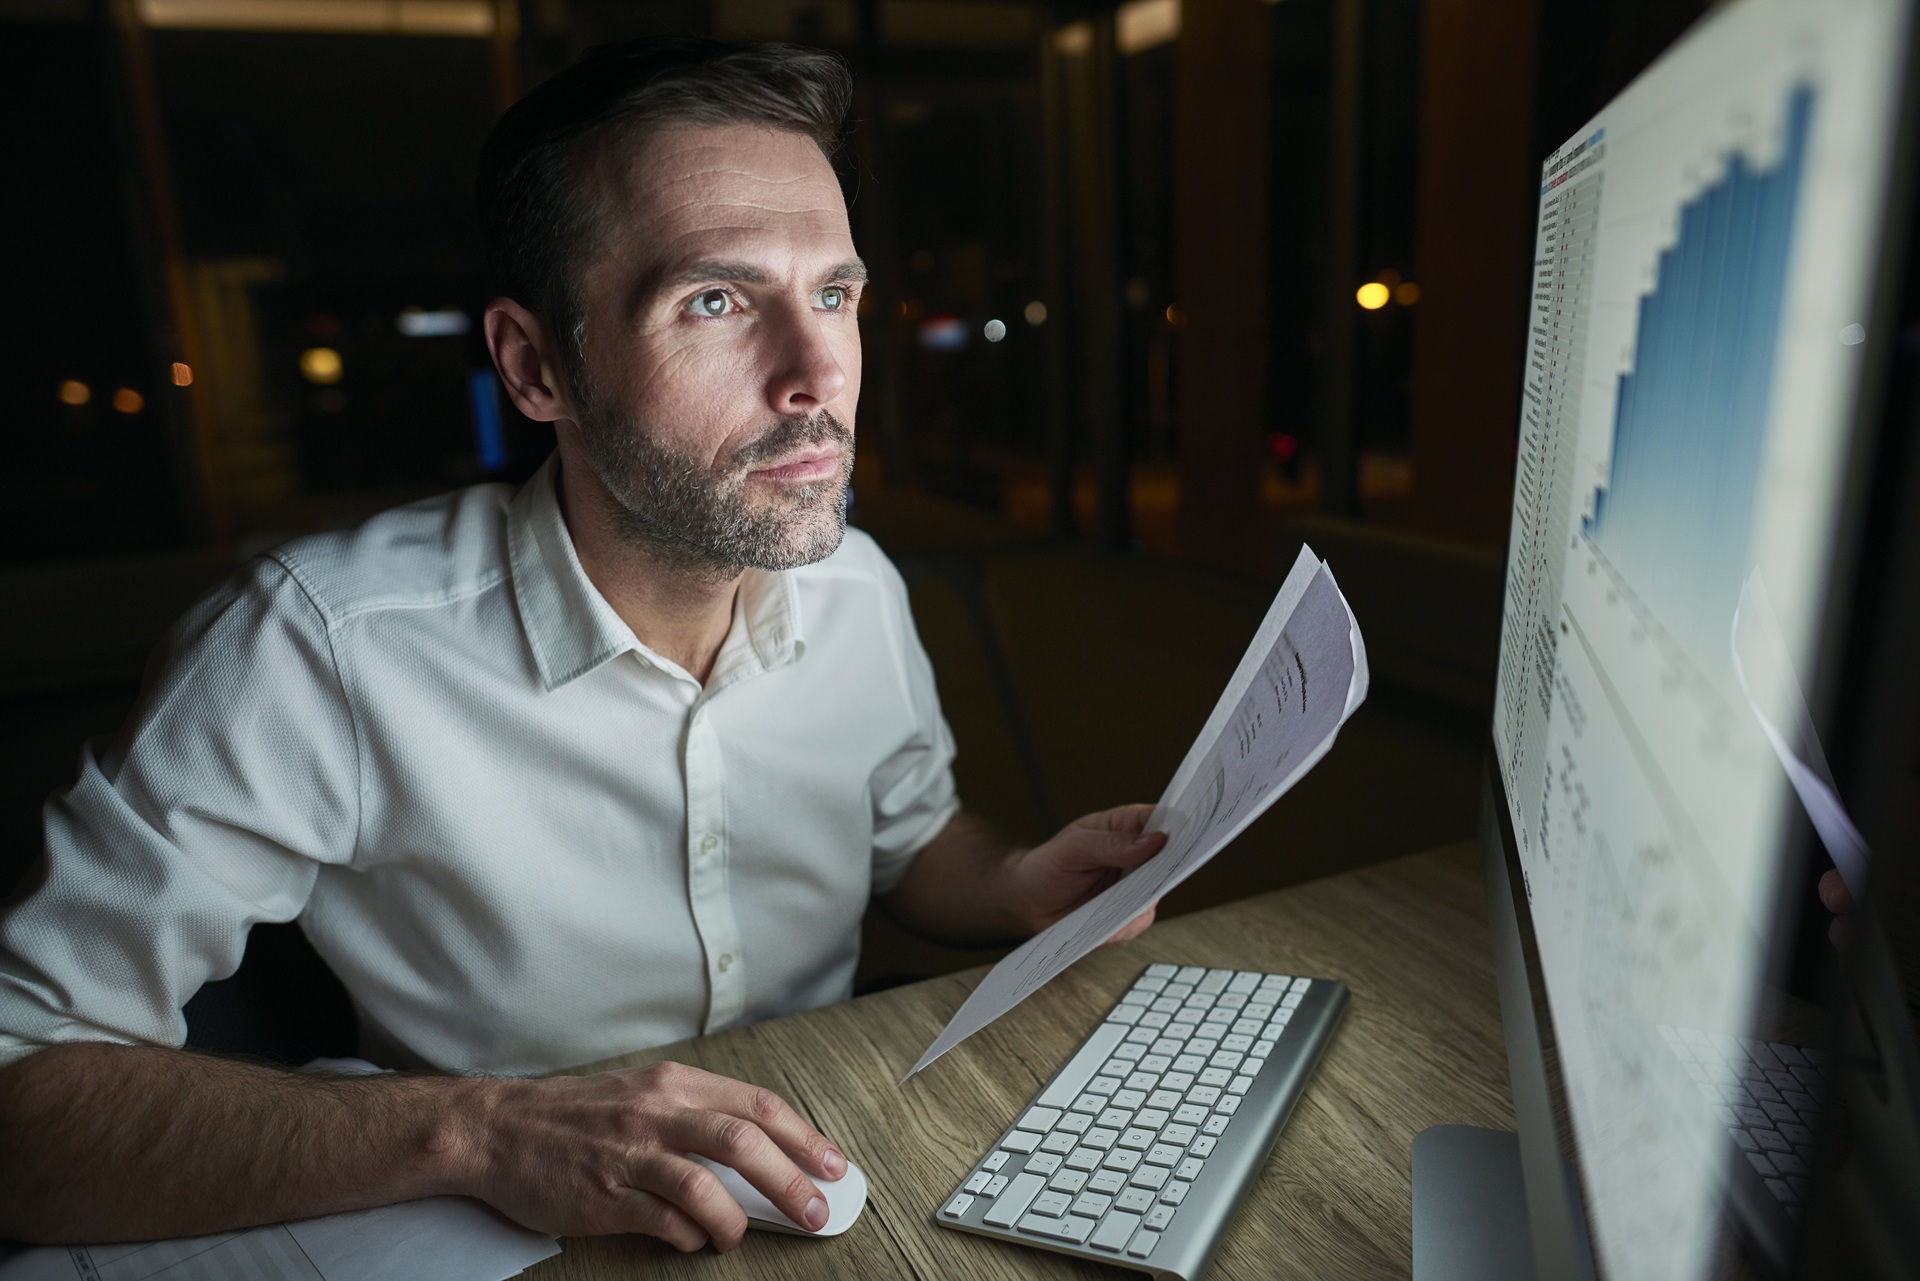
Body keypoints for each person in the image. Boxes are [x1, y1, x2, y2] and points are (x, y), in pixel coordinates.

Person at [0, 38, 1165, 1253]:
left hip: (829, 1174)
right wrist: (484, 1134)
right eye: (716, 301)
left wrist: (1012, 882)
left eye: (835, 294)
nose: (819, 374)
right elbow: (16, 1086)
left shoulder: (855, 584)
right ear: (537, 364)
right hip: (500, 1236)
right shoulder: (317, 646)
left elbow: (914, 833)